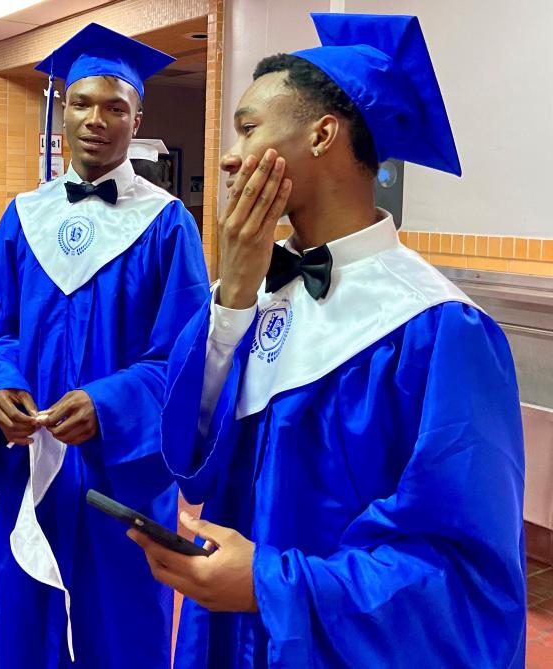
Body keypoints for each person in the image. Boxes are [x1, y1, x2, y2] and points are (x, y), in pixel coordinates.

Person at [129, 13, 526, 668]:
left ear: (321, 133)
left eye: (249, 127)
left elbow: (462, 579)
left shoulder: (437, 331)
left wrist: (270, 585)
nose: (230, 156)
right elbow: (191, 459)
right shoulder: (248, 297)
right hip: (225, 640)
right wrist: (230, 293)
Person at [0, 22, 210, 668]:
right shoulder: (23, 218)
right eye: (82, 103)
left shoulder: (167, 226)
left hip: (121, 478)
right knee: (25, 623)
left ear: (138, 116)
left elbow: (184, 362)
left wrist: (109, 404)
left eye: (115, 107)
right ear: (61, 110)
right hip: (34, 469)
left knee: (121, 630)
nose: (97, 120)